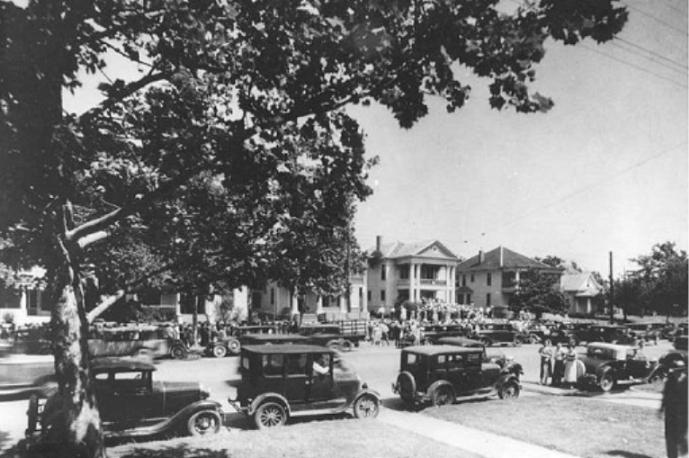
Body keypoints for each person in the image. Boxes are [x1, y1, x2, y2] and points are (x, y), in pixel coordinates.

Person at [660, 359, 688, 458]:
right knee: (669, 436)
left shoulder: (686, 381)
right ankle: (672, 456)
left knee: (680, 435)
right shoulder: (670, 380)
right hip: (670, 412)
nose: (676, 372)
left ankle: (684, 451)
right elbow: (665, 395)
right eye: (674, 370)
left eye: (679, 370)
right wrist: (661, 409)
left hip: (683, 413)